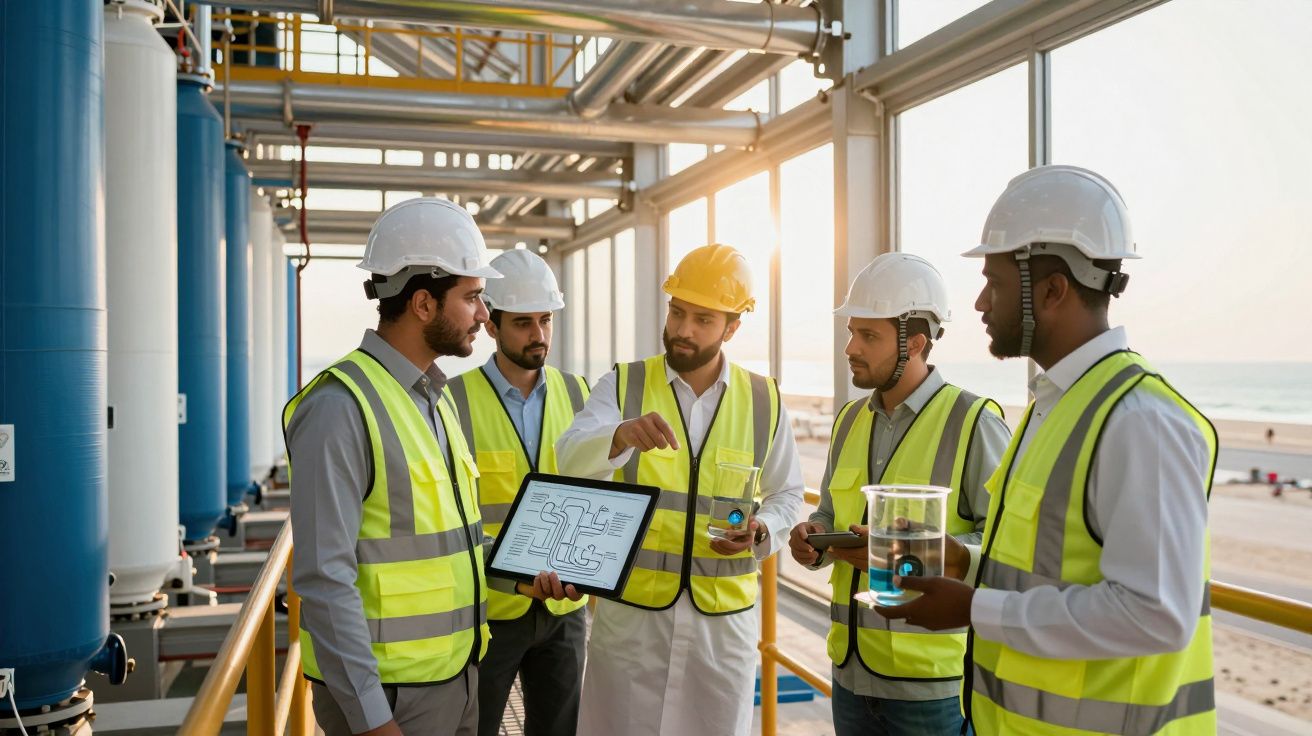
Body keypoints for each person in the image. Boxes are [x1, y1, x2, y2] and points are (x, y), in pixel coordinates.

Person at [875, 166, 1218, 735]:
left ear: (1053, 290)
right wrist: (967, 564)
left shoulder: (1139, 422)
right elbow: (1052, 571)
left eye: (996, 282)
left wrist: (973, 609)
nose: (981, 302)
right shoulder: (1052, 406)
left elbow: (1157, 615)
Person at [555, 243, 806, 736]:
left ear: (732, 327)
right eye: (677, 312)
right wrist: (620, 434)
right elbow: (569, 455)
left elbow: (788, 495)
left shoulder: (763, 400)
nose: (683, 330)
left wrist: (762, 531)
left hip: (721, 631)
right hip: (632, 625)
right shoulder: (624, 383)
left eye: (703, 319)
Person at [284, 197, 501, 736]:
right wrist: (372, 719)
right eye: (472, 297)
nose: (484, 314)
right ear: (423, 304)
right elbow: (324, 579)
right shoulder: (339, 407)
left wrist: (522, 575)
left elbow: (444, 543)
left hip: (457, 677)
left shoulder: (434, 396)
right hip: (391, 701)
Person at [788, 252, 1010, 736]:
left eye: (868, 336)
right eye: (852, 331)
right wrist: (813, 538)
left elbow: (1006, 549)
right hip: (849, 675)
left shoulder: (973, 423)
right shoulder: (849, 420)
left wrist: (918, 553)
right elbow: (829, 510)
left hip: (930, 689)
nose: (850, 347)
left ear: (915, 344)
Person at [444, 249, 592, 736]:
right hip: (491, 608)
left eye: (546, 321)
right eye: (524, 323)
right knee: (477, 726)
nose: (539, 336)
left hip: (563, 606)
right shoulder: (452, 401)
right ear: (492, 325)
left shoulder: (580, 394)